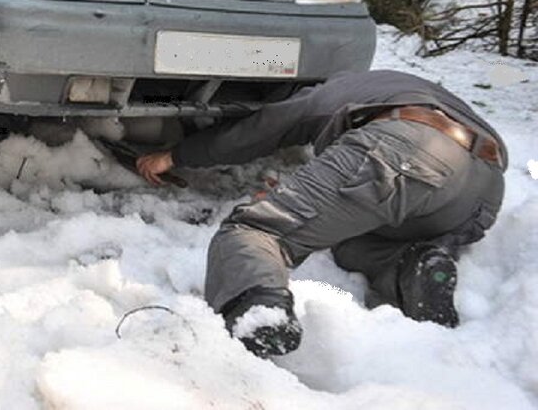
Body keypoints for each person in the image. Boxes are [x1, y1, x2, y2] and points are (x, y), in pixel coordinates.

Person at [135, 69, 506, 357]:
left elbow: (267, 127)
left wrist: (177, 155)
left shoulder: (342, 88)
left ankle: (260, 316)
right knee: (346, 239)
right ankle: (410, 269)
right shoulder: (403, 85)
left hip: (407, 148)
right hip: (481, 192)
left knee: (256, 232)